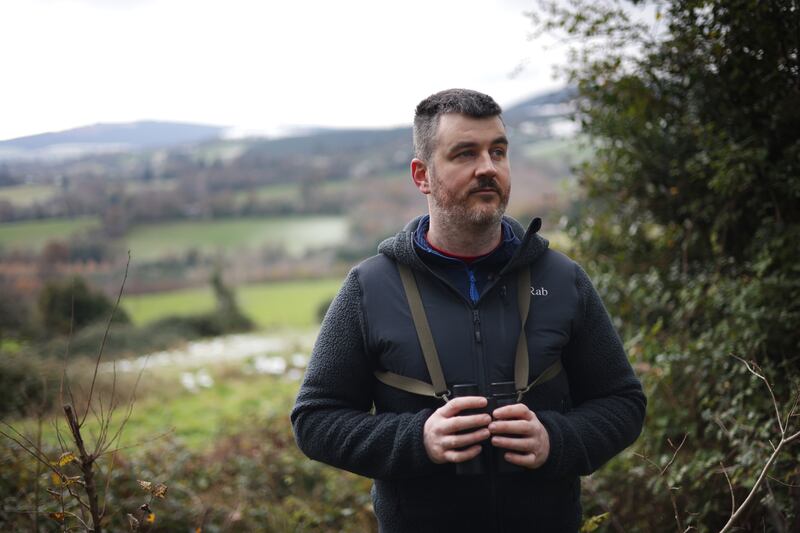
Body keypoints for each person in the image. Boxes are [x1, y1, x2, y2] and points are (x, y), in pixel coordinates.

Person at [291, 88, 646, 532]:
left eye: (498, 151)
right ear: (422, 175)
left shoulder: (562, 279)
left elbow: (623, 402)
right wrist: (417, 439)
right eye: (465, 153)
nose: (488, 168)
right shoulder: (369, 288)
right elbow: (315, 420)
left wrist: (555, 440)